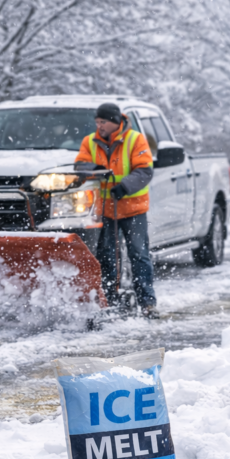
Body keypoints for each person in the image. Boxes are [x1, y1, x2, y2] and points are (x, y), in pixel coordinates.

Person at [75, 103, 157, 317]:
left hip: (133, 208)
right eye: (97, 122)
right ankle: (109, 299)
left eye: (102, 122)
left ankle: (147, 303)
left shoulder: (135, 139)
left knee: (139, 255)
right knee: (106, 256)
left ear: (114, 121)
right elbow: (80, 165)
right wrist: (96, 170)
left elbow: (144, 171)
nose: (98, 126)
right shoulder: (89, 142)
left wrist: (125, 186)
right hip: (104, 210)